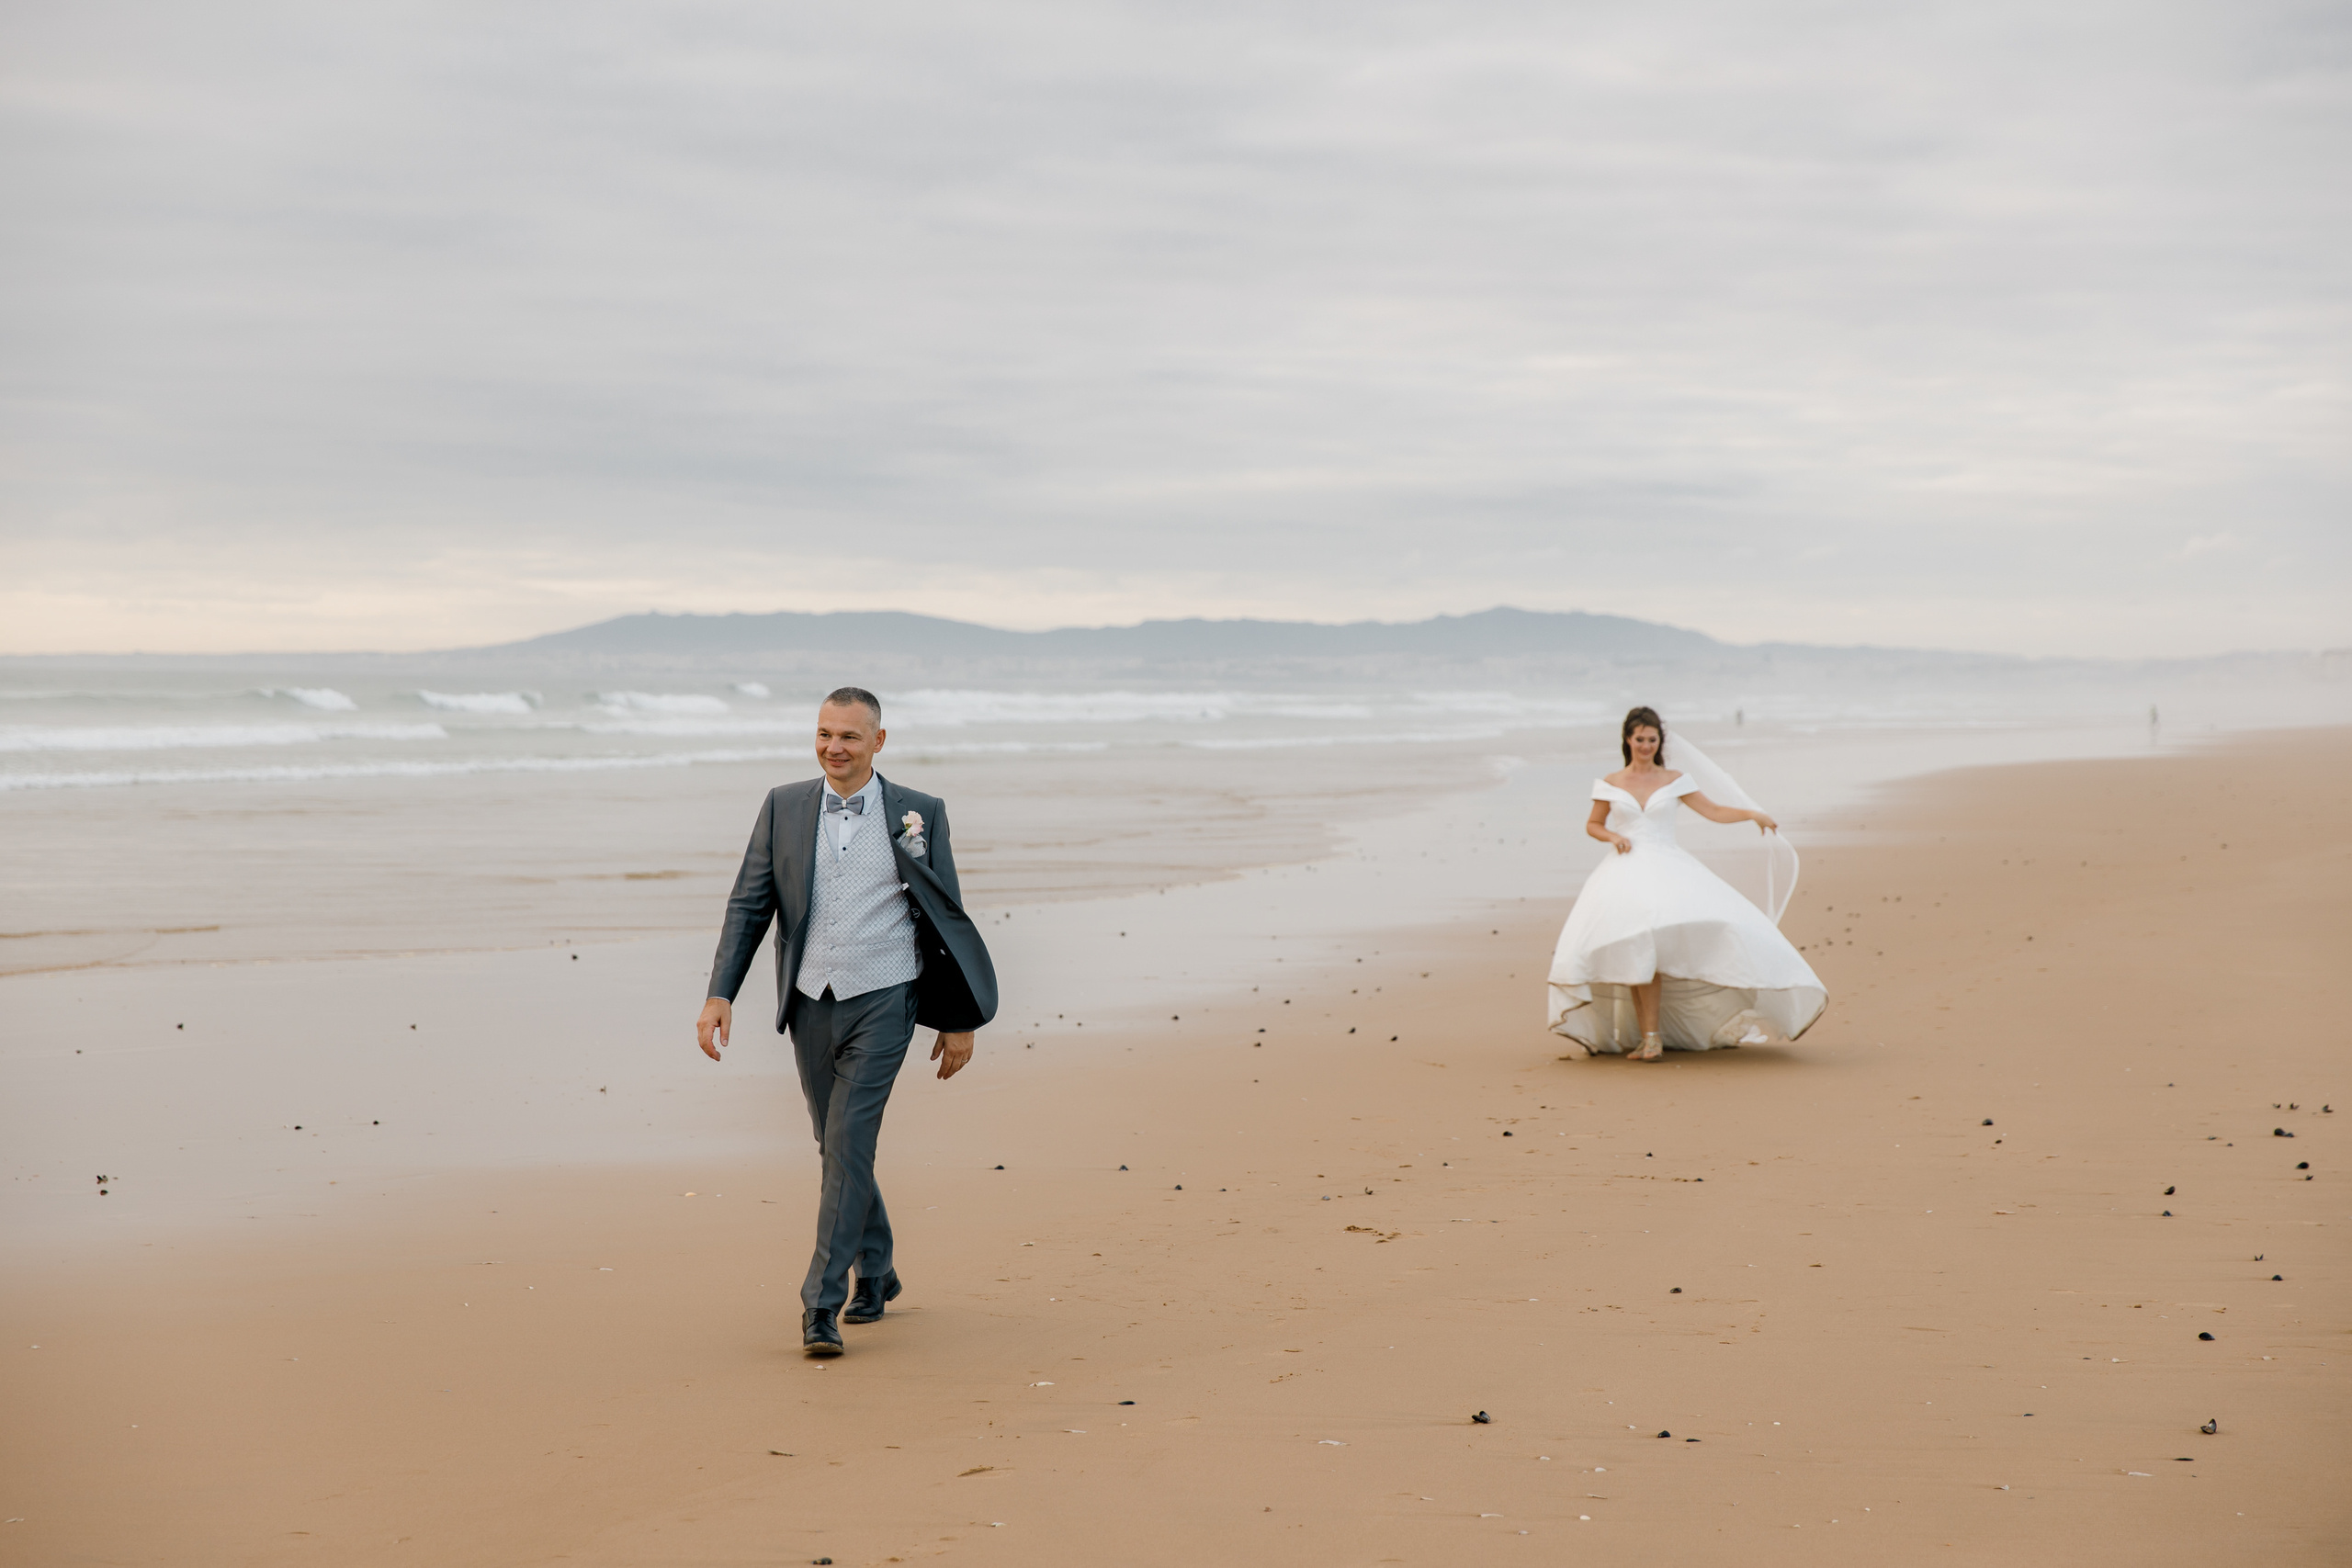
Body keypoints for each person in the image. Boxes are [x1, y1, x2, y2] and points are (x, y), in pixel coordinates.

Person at [696, 687, 997, 1355]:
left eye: (851, 736)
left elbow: (945, 919)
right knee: (837, 1146)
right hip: (809, 998)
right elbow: (750, 905)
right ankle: (880, 1269)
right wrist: (722, 992)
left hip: (887, 997)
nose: (835, 746)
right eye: (826, 733)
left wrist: (958, 1018)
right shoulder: (783, 805)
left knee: (851, 1138)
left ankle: (821, 1303)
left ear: (878, 742)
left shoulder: (919, 813)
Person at [1547, 706, 1824, 1061]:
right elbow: (1593, 824)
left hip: (1668, 869)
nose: (1645, 745)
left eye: (1652, 739)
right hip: (1625, 872)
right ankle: (1649, 1037)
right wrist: (1612, 836)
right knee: (1634, 949)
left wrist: (1752, 814)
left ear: (1659, 741)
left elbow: (1714, 811)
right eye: (1639, 739)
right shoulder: (1611, 782)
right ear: (1627, 740)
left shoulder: (1675, 779)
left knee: (1658, 945)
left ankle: (1653, 1037)